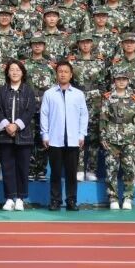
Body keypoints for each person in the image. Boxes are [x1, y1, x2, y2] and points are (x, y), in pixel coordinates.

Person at [40, 61, 88, 211]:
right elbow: (44, 115)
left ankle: (71, 200)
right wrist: (45, 134)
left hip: (73, 139)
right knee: (55, 172)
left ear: (71, 75)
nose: (63, 74)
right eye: (60, 71)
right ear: (56, 74)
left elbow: (84, 115)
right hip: (54, 139)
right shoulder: (49, 94)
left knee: (71, 173)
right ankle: (55, 200)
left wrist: (82, 134)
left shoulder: (78, 94)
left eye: (66, 72)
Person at [0, 61, 36, 211]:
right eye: (12, 69)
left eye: (18, 70)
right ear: (7, 73)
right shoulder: (1, 91)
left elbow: (30, 111)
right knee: (7, 168)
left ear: (22, 73)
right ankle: (9, 198)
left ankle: (20, 198)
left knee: (22, 168)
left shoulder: (28, 91)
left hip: (24, 136)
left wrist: (16, 125)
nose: (15, 72)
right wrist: (7, 125)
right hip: (5, 136)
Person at [100, 70, 135, 211]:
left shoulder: (133, 99)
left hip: (129, 138)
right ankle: (113, 198)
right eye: (119, 79)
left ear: (128, 81)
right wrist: (103, 136)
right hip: (111, 137)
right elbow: (103, 118)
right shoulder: (108, 98)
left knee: (129, 169)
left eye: (124, 79)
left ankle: (128, 197)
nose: (121, 82)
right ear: (114, 81)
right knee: (111, 169)